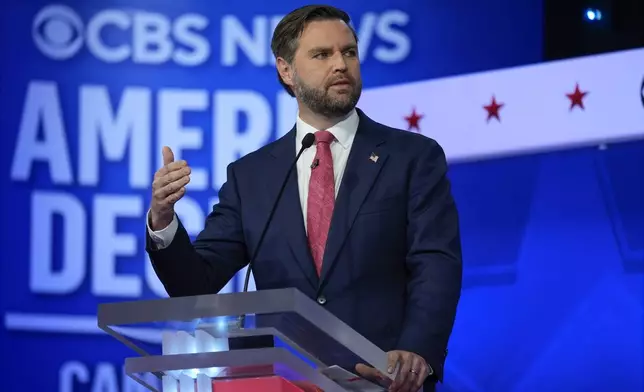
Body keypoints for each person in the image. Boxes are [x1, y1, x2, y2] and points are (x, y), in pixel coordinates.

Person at [145, 4, 462, 392]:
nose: (341, 64)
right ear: (286, 71)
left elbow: (435, 264)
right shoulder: (252, 176)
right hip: (284, 381)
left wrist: (417, 351)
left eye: (349, 52)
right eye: (322, 54)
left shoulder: (412, 157)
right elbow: (195, 287)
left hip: (383, 380)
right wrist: (162, 219)